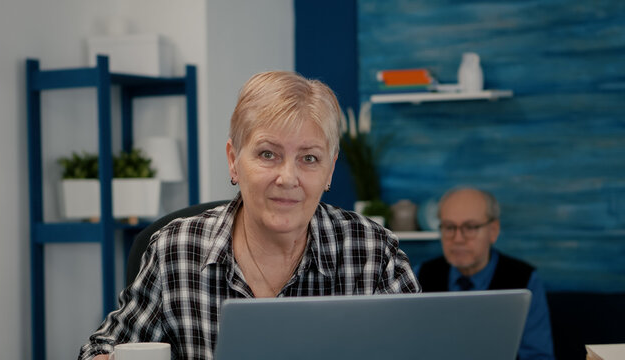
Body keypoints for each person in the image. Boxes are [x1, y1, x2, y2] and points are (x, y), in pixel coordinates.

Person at [78, 71, 420, 360]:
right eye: (268, 154)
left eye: (309, 158)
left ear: (330, 169)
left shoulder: (373, 252)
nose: (288, 178)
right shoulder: (176, 250)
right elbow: (102, 347)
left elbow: (423, 347)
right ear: (233, 160)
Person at [415, 187, 555, 360]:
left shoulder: (524, 279)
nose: (458, 238)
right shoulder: (421, 275)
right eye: (449, 227)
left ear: (493, 231)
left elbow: (538, 356)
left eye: (471, 227)